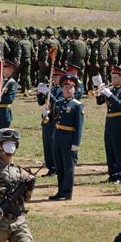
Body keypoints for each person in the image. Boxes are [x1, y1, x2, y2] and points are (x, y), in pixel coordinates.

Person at [49, 71, 83, 201]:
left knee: (68, 166)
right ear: (62, 89)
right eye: (65, 87)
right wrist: (46, 115)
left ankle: (67, 192)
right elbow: (52, 120)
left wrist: (76, 143)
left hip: (69, 138)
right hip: (58, 137)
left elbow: (79, 127)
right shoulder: (58, 103)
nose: (68, 90)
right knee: (59, 165)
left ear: (75, 89)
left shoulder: (77, 105)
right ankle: (60, 190)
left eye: (70, 87)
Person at [96, 65, 121, 182]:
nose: (113, 80)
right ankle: (111, 175)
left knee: (118, 149)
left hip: (119, 121)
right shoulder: (110, 89)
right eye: (112, 77)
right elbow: (100, 102)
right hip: (109, 121)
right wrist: (99, 92)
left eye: (115, 77)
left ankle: (119, 175)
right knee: (110, 149)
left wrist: (110, 95)